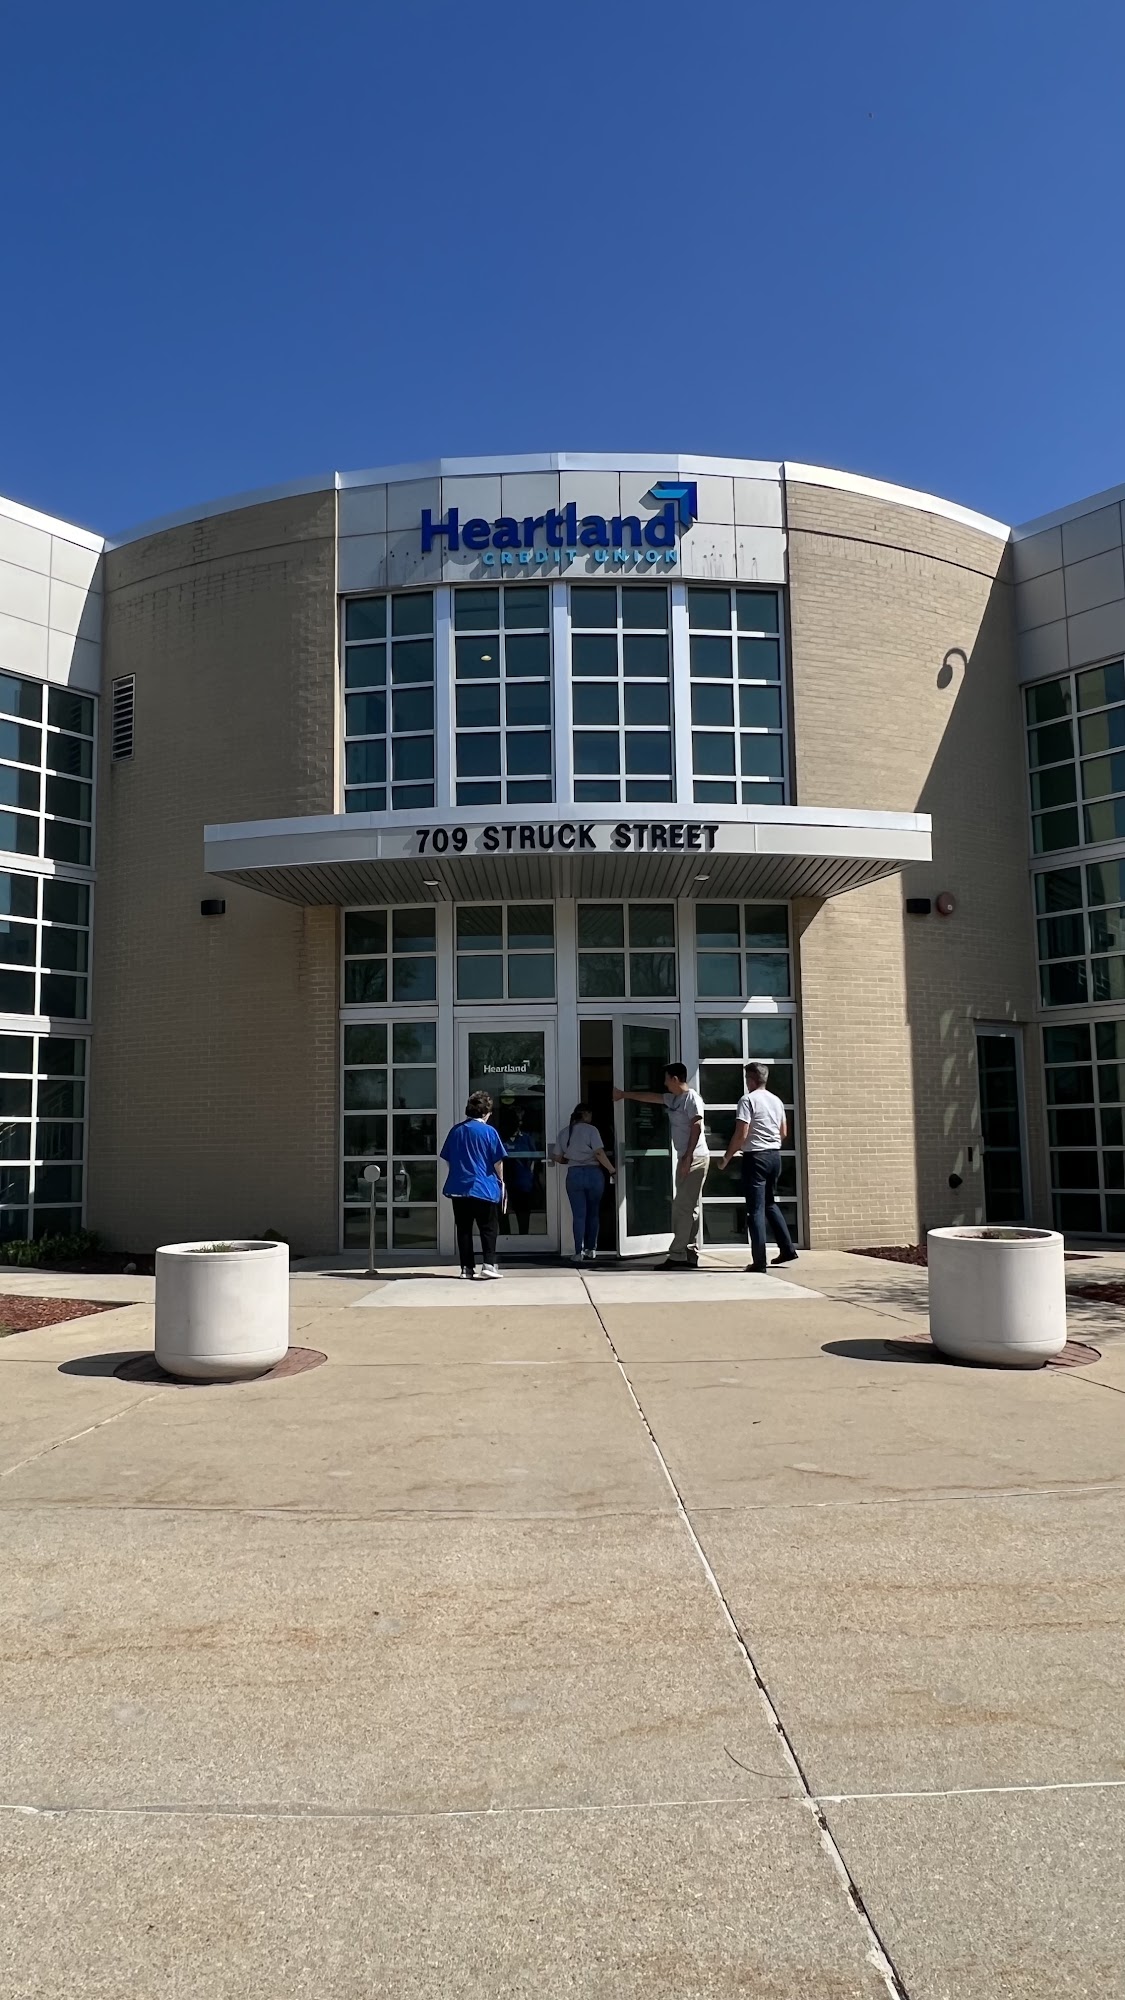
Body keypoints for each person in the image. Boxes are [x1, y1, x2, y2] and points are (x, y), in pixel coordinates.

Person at [612, 1063, 709, 1269]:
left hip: (695, 1158)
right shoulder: (674, 1099)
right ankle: (689, 1253)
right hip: (685, 1157)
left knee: (681, 1207)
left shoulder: (692, 1098)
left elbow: (697, 1126)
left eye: (666, 1079)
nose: (664, 1083)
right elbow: (651, 1097)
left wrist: (688, 1157)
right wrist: (624, 1095)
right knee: (689, 1207)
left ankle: (677, 1254)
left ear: (675, 1079)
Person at [719, 1062, 797, 1273]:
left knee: (755, 1210)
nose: (746, 1082)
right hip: (774, 1156)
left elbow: (741, 1133)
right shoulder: (776, 1101)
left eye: (747, 1078)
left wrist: (727, 1157)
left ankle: (759, 1261)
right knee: (769, 1203)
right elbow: (783, 1132)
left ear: (751, 1079)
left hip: (756, 1157)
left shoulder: (748, 1100)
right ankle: (787, 1249)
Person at [439, 1090, 507, 1280]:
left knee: (464, 1229)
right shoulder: (489, 1132)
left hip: (459, 1187)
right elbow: (497, 1161)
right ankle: (489, 1264)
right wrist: (501, 1181)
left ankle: (466, 1268)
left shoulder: (456, 1131)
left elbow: (448, 1158)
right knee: (488, 1227)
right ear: (486, 1112)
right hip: (484, 1186)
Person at [550, 1103, 616, 1263]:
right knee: (593, 1213)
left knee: (579, 1215)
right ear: (585, 1114)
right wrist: (611, 1170)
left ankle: (578, 1252)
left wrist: (571, 1160)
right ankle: (591, 1249)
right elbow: (599, 1152)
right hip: (594, 1174)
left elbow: (557, 1157)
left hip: (574, 1175)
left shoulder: (564, 1132)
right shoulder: (592, 1130)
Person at [505, 1110, 540, 1236]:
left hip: (523, 1182)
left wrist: (532, 1175)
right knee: (503, 1213)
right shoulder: (499, 1138)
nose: (518, 1123)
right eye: (515, 1120)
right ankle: (505, 1237)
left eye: (519, 1121)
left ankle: (524, 1237)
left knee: (523, 1212)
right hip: (504, 1182)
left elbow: (535, 1159)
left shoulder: (526, 1138)